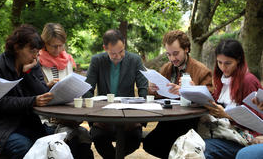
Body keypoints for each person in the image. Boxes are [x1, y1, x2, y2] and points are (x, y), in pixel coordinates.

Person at [143, 30, 213, 159]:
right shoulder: (166, 68)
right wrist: (153, 89)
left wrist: (191, 90)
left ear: (186, 49)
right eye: (168, 54)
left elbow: (211, 100)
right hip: (168, 119)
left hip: (189, 122)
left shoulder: (201, 71)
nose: (172, 59)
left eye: (176, 54)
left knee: (167, 146)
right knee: (150, 144)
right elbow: (158, 95)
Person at [84, 29, 148, 158]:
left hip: (129, 118)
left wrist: (140, 118)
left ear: (124, 44)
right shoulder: (97, 60)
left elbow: (143, 88)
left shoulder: (135, 60)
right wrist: (95, 116)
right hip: (103, 117)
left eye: (121, 51)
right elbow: (87, 90)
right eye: (113, 53)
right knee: (97, 137)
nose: (118, 56)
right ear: (105, 48)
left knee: (135, 138)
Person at [0, 24, 54, 159]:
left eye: (37, 52)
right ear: (17, 47)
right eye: (32, 51)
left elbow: (42, 92)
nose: (35, 56)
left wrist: (27, 73)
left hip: (29, 123)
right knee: (24, 146)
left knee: (54, 143)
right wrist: (32, 101)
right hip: (3, 126)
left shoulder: (33, 64)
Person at [39, 23, 93, 159]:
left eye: (61, 45)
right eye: (54, 46)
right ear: (45, 43)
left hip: (67, 115)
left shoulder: (67, 60)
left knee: (85, 144)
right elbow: (35, 91)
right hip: (46, 118)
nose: (58, 49)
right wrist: (47, 86)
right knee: (72, 142)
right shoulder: (36, 61)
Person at [203, 39, 263, 159]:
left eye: (228, 63)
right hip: (225, 131)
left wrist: (226, 115)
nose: (223, 67)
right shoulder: (223, 79)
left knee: (205, 148)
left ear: (239, 60)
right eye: (219, 62)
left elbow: (256, 121)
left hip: (245, 137)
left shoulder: (248, 81)